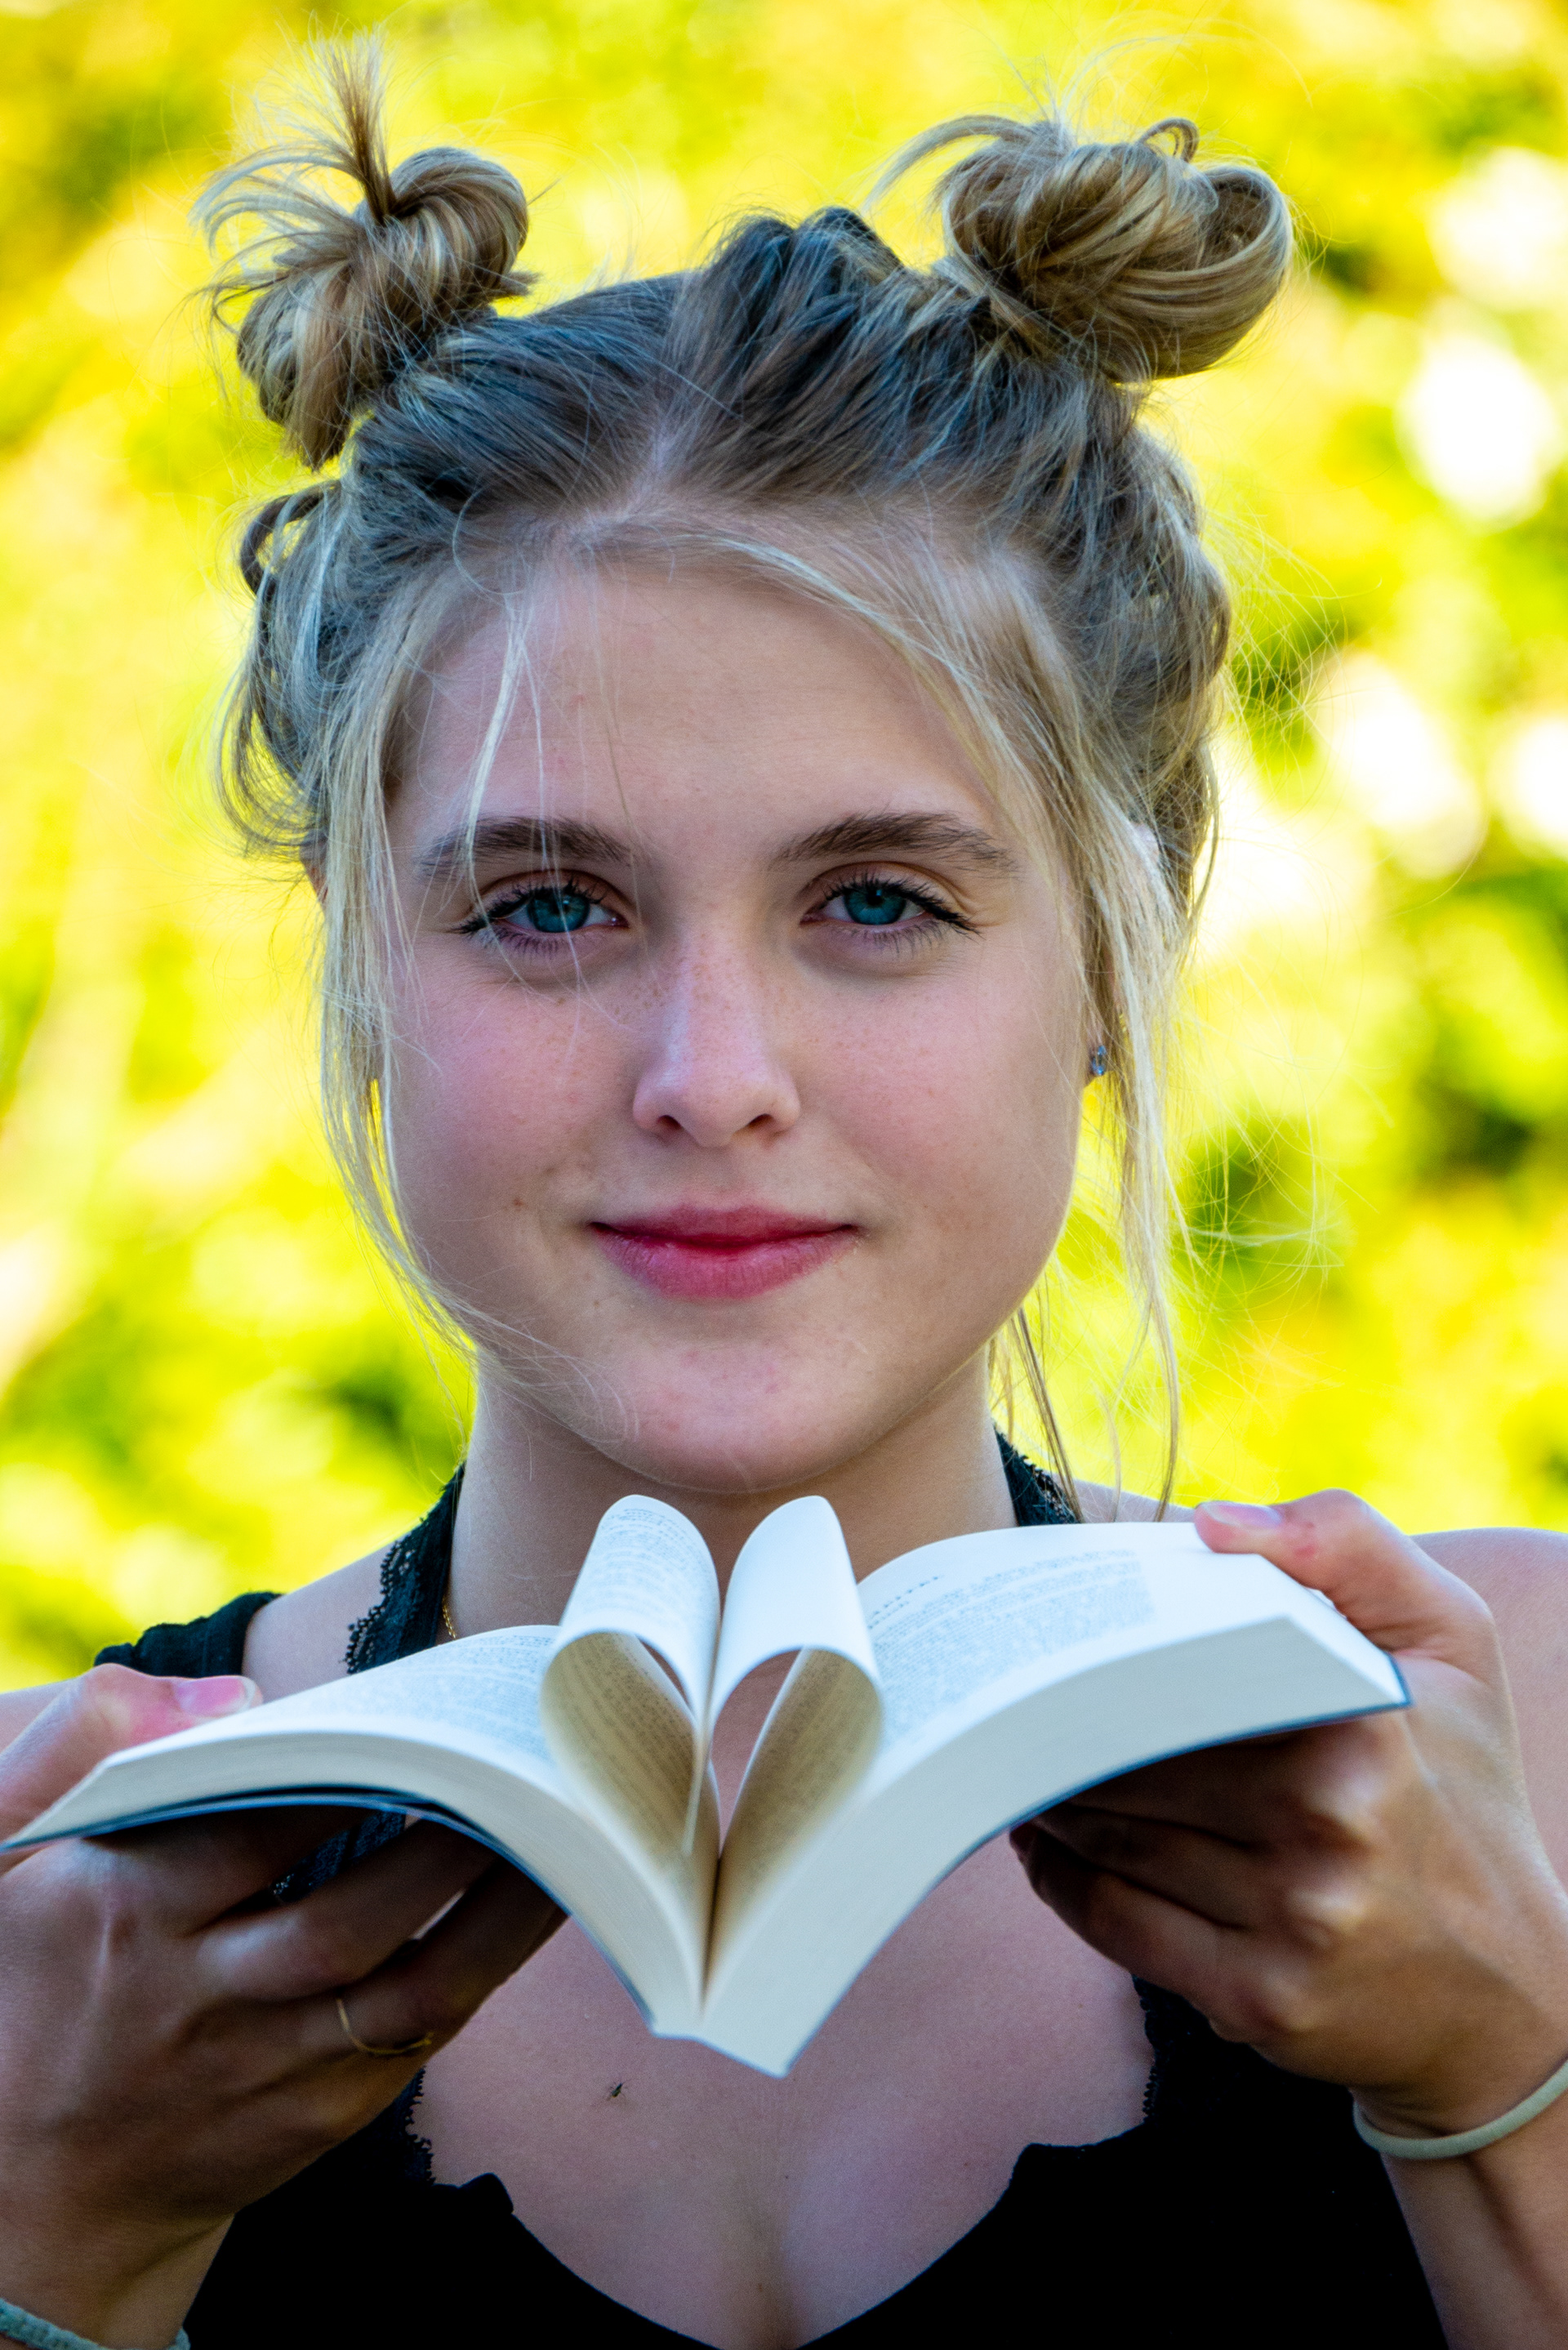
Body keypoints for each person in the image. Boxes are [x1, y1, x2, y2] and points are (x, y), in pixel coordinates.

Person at [0, 47, 1563, 2350]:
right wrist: (50, 2247)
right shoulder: (58, 1894)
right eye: (547, 908)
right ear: (357, 962)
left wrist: (1504, 2081)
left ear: (1117, 963)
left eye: (880, 904)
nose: (710, 1080)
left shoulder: (1514, 1726)